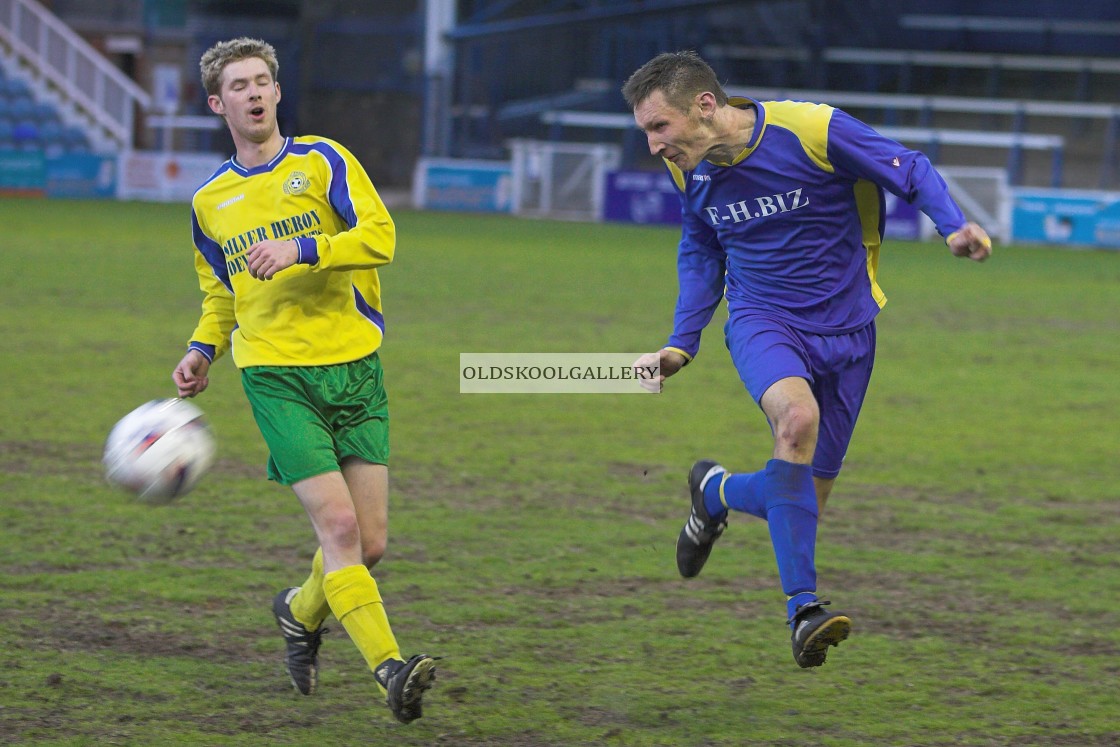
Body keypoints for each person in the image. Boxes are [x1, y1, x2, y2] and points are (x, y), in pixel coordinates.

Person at [624, 51, 991, 668]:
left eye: (660, 128)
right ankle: (804, 611)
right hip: (762, 322)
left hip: (850, 332)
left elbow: (909, 167)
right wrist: (681, 343)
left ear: (705, 106)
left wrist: (951, 224)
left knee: (798, 504)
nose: (655, 146)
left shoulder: (812, 130)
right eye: (646, 133)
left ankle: (713, 494)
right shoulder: (690, 170)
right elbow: (701, 250)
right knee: (795, 423)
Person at [172, 37, 437, 722]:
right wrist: (204, 349)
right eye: (239, 85)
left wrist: (304, 247)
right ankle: (391, 668)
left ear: (277, 92)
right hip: (275, 376)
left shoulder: (323, 161)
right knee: (340, 526)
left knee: (370, 543)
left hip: (354, 367)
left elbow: (380, 237)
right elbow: (221, 292)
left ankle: (299, 611)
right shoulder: (209, 202)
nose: (254, 93)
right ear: (217, 102)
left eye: (263, 81)